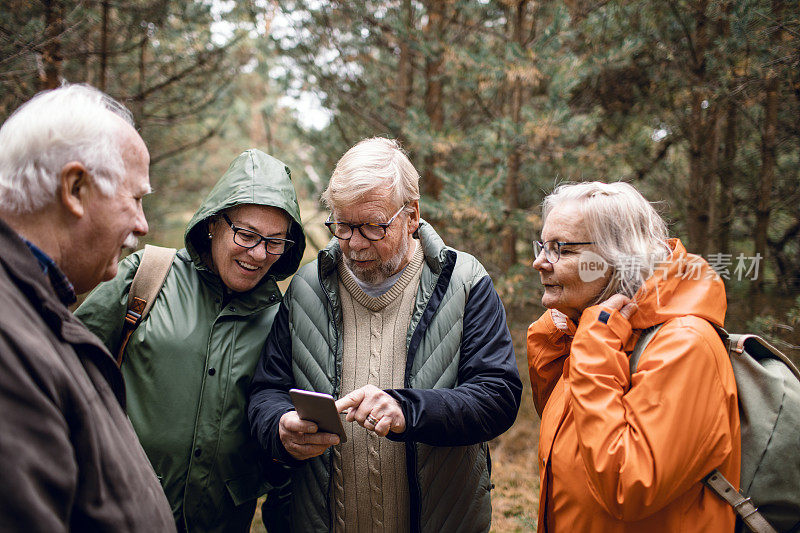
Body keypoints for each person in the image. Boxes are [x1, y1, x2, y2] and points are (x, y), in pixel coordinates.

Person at [248, 137, 522, 532]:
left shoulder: (463, 281)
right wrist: (279, 425)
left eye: (373, 227)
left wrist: (406, 410)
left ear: (412, 215)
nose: (354, 244)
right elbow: (265, 391)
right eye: (342, 226)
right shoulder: (307, 286)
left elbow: (498, 397)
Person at [76, 149, 306, 532]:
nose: (259, 253)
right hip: (117, 508)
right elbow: (67, 368)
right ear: (214, 222)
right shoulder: (148, 277)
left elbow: (275, 419)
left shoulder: (282, 317)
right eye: (246, 235)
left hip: (221, 521)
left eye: (275, 241)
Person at [0, 84, 175, 531]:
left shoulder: (34, 307)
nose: (142, 223)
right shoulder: (9, 337)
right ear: (75, 188)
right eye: (135, 198)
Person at [527, 181, 740, 532]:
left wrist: (593, 345)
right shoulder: (588, 333)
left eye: (560, 250)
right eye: (543, 246)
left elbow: (628, 485)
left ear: (618, 257)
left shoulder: (685, 345)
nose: (539, 262)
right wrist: (562, 337)